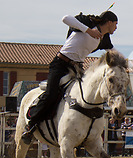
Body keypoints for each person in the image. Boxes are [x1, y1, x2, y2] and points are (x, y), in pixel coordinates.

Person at [21, 10, 118, 144]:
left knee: (86, 94)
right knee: (51, 94)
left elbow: (114, 53)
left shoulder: (105, 38)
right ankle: (31, 125)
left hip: (76, 68)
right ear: (109, 22)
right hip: (60, 64)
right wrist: (88, 31)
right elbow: (65, 18)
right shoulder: (87, 23)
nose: (116, 28)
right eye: (115, 24)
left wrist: (131, 65)